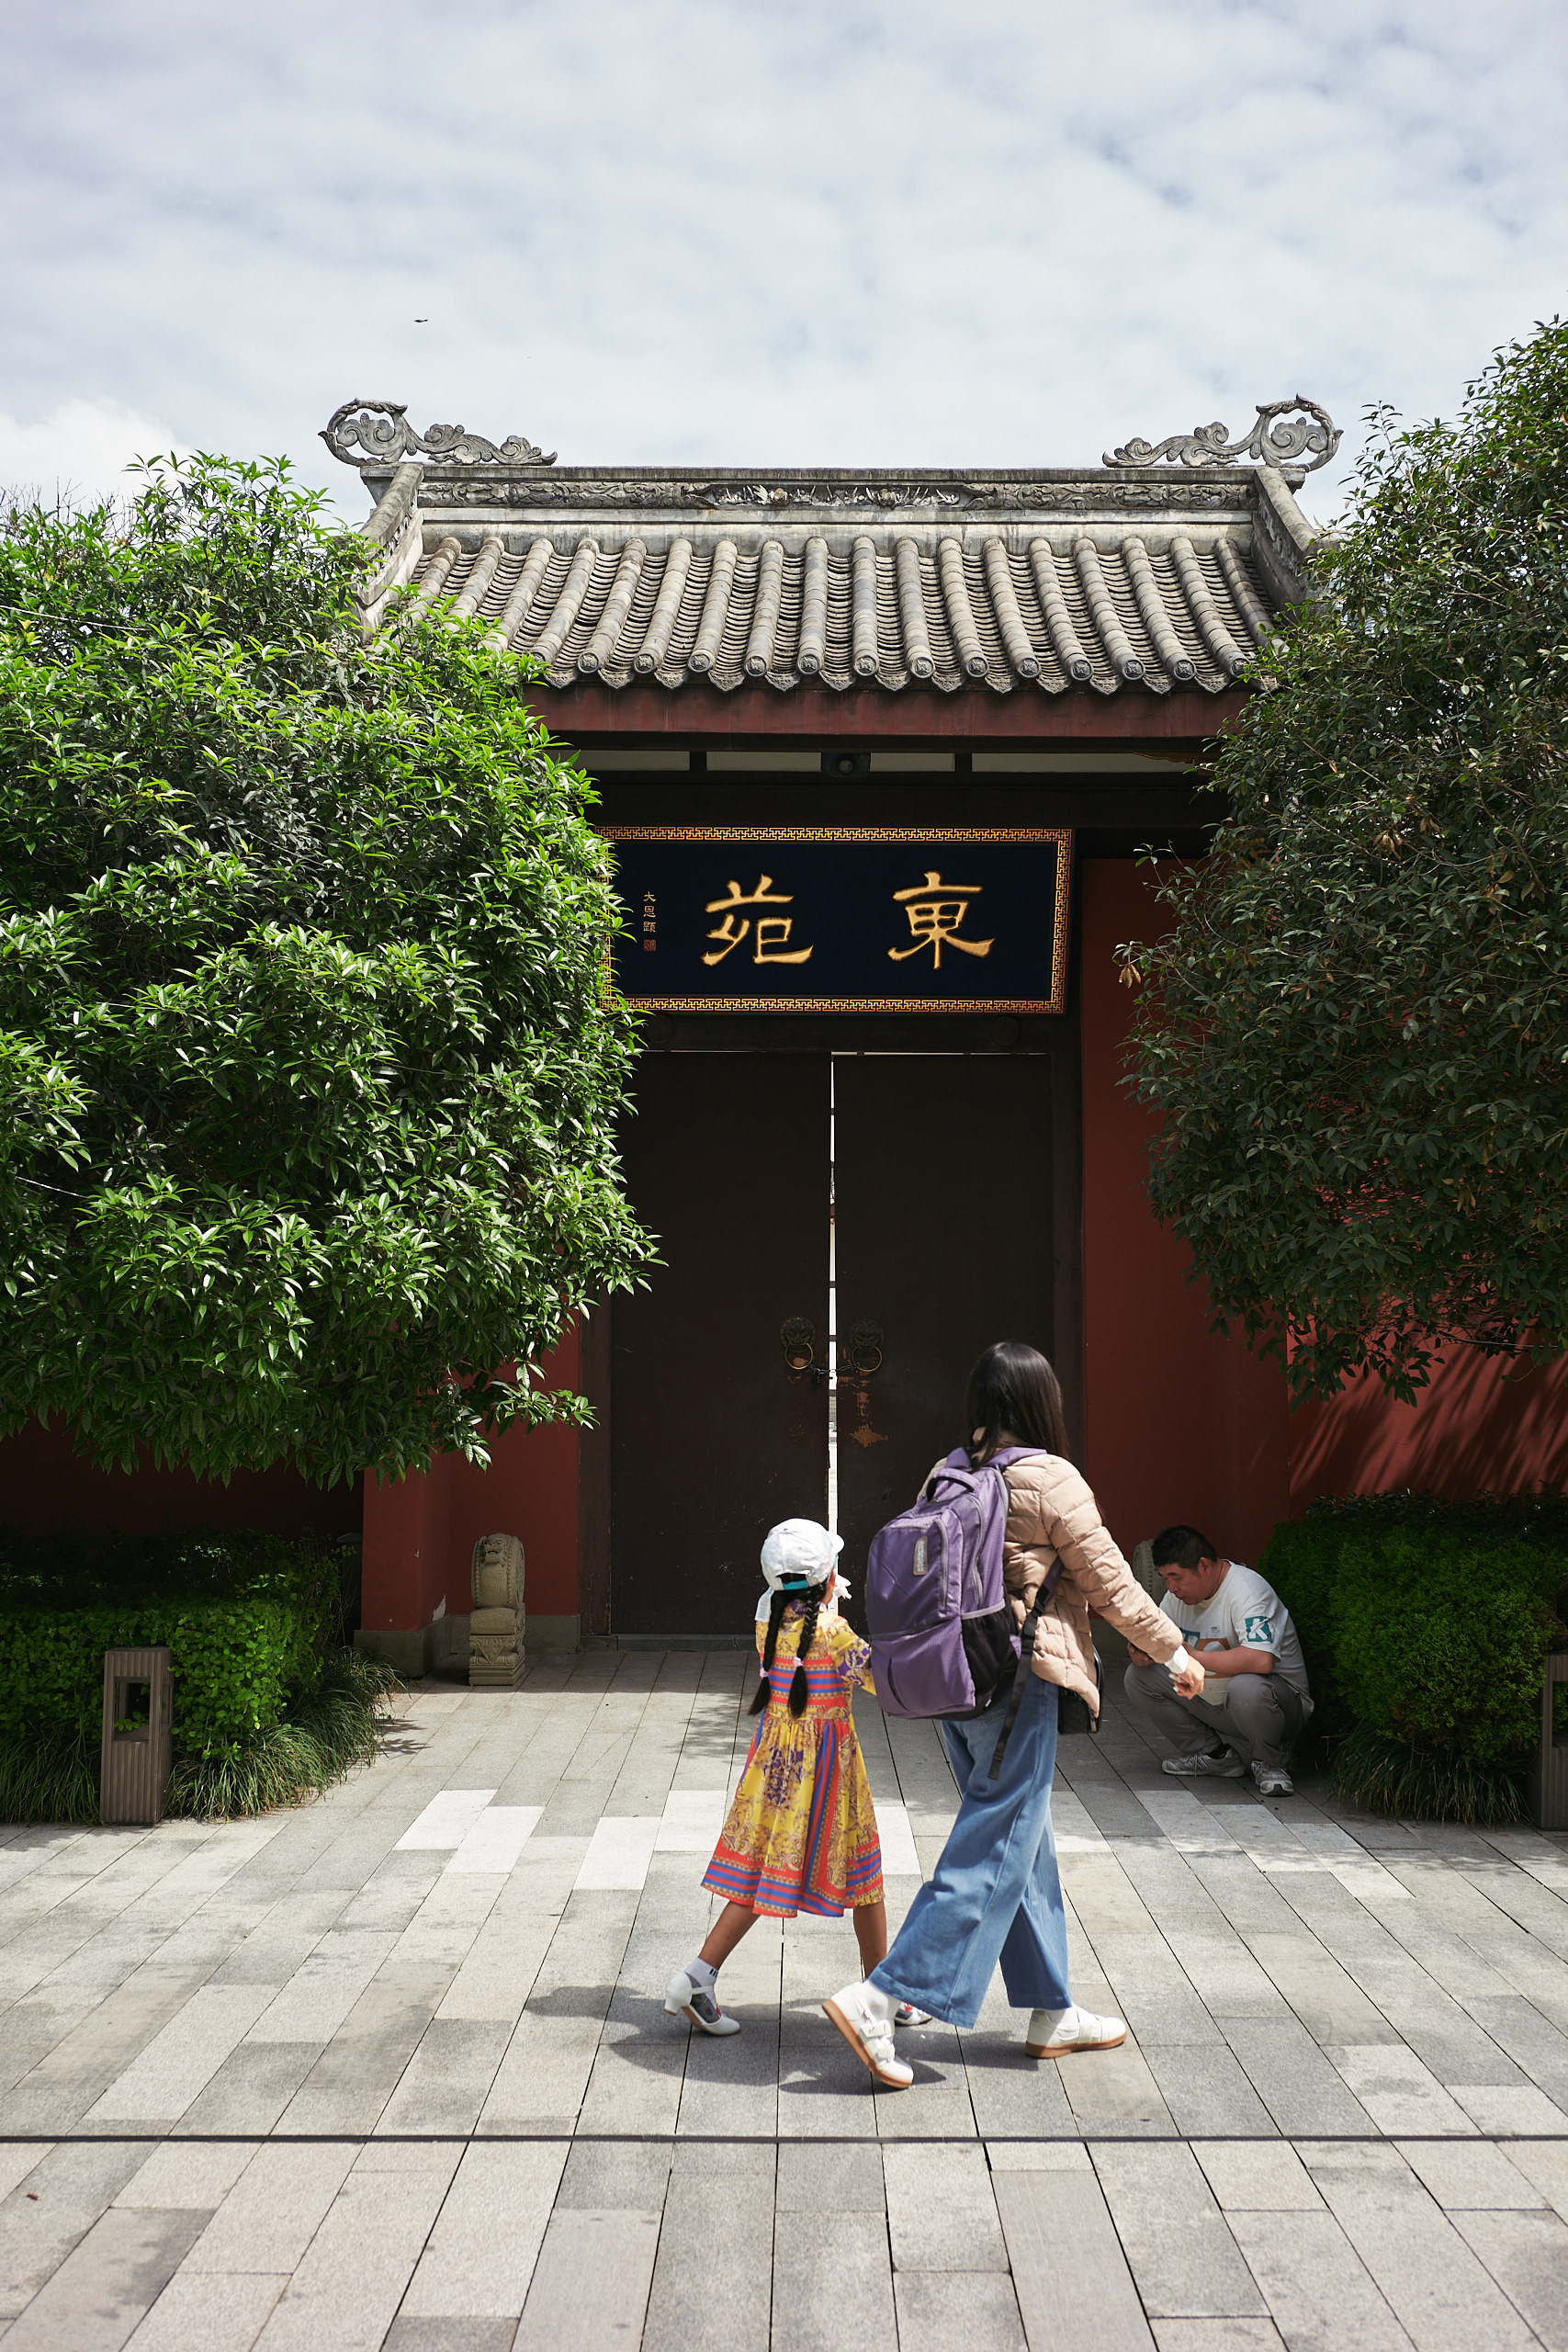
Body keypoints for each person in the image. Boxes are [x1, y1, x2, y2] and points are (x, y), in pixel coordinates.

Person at [821, 1341, 1204, 2092]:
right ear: (1041, 1402)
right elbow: (1111, 1585)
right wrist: (1175, 1653)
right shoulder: (1050, 1477)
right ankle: (880, 1996)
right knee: (995, 1842)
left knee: (1021, 1839)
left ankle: (1050, 2009)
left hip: (954, 1677)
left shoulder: (947, 1470)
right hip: (1019, 1680)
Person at [665, 1518, 921, 2036]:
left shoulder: (766, 1621)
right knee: (865, 1876)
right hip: (828, 1771)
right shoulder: (832, 1632)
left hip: (776, 1766)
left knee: (758, 1872)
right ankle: (883, 1991)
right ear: (827, 1579)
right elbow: (886, 1680)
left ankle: (697, 1976)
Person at [1123, 1526, 1313, 1797]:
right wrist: (1140, 1652)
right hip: (1219, 1703)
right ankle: (1214, 1756)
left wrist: (1195, 1657)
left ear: (1203, 1566)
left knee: (1246, 1686)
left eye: (1176, 1577)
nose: (1171, 1588)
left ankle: (1270, 1764)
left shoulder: (1247, 1590)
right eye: (1165, 1579)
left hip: (1278, 1708)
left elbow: (1262, 1660)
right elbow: (1157, 1641)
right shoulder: (1175, 1599)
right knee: (1139, 1676)